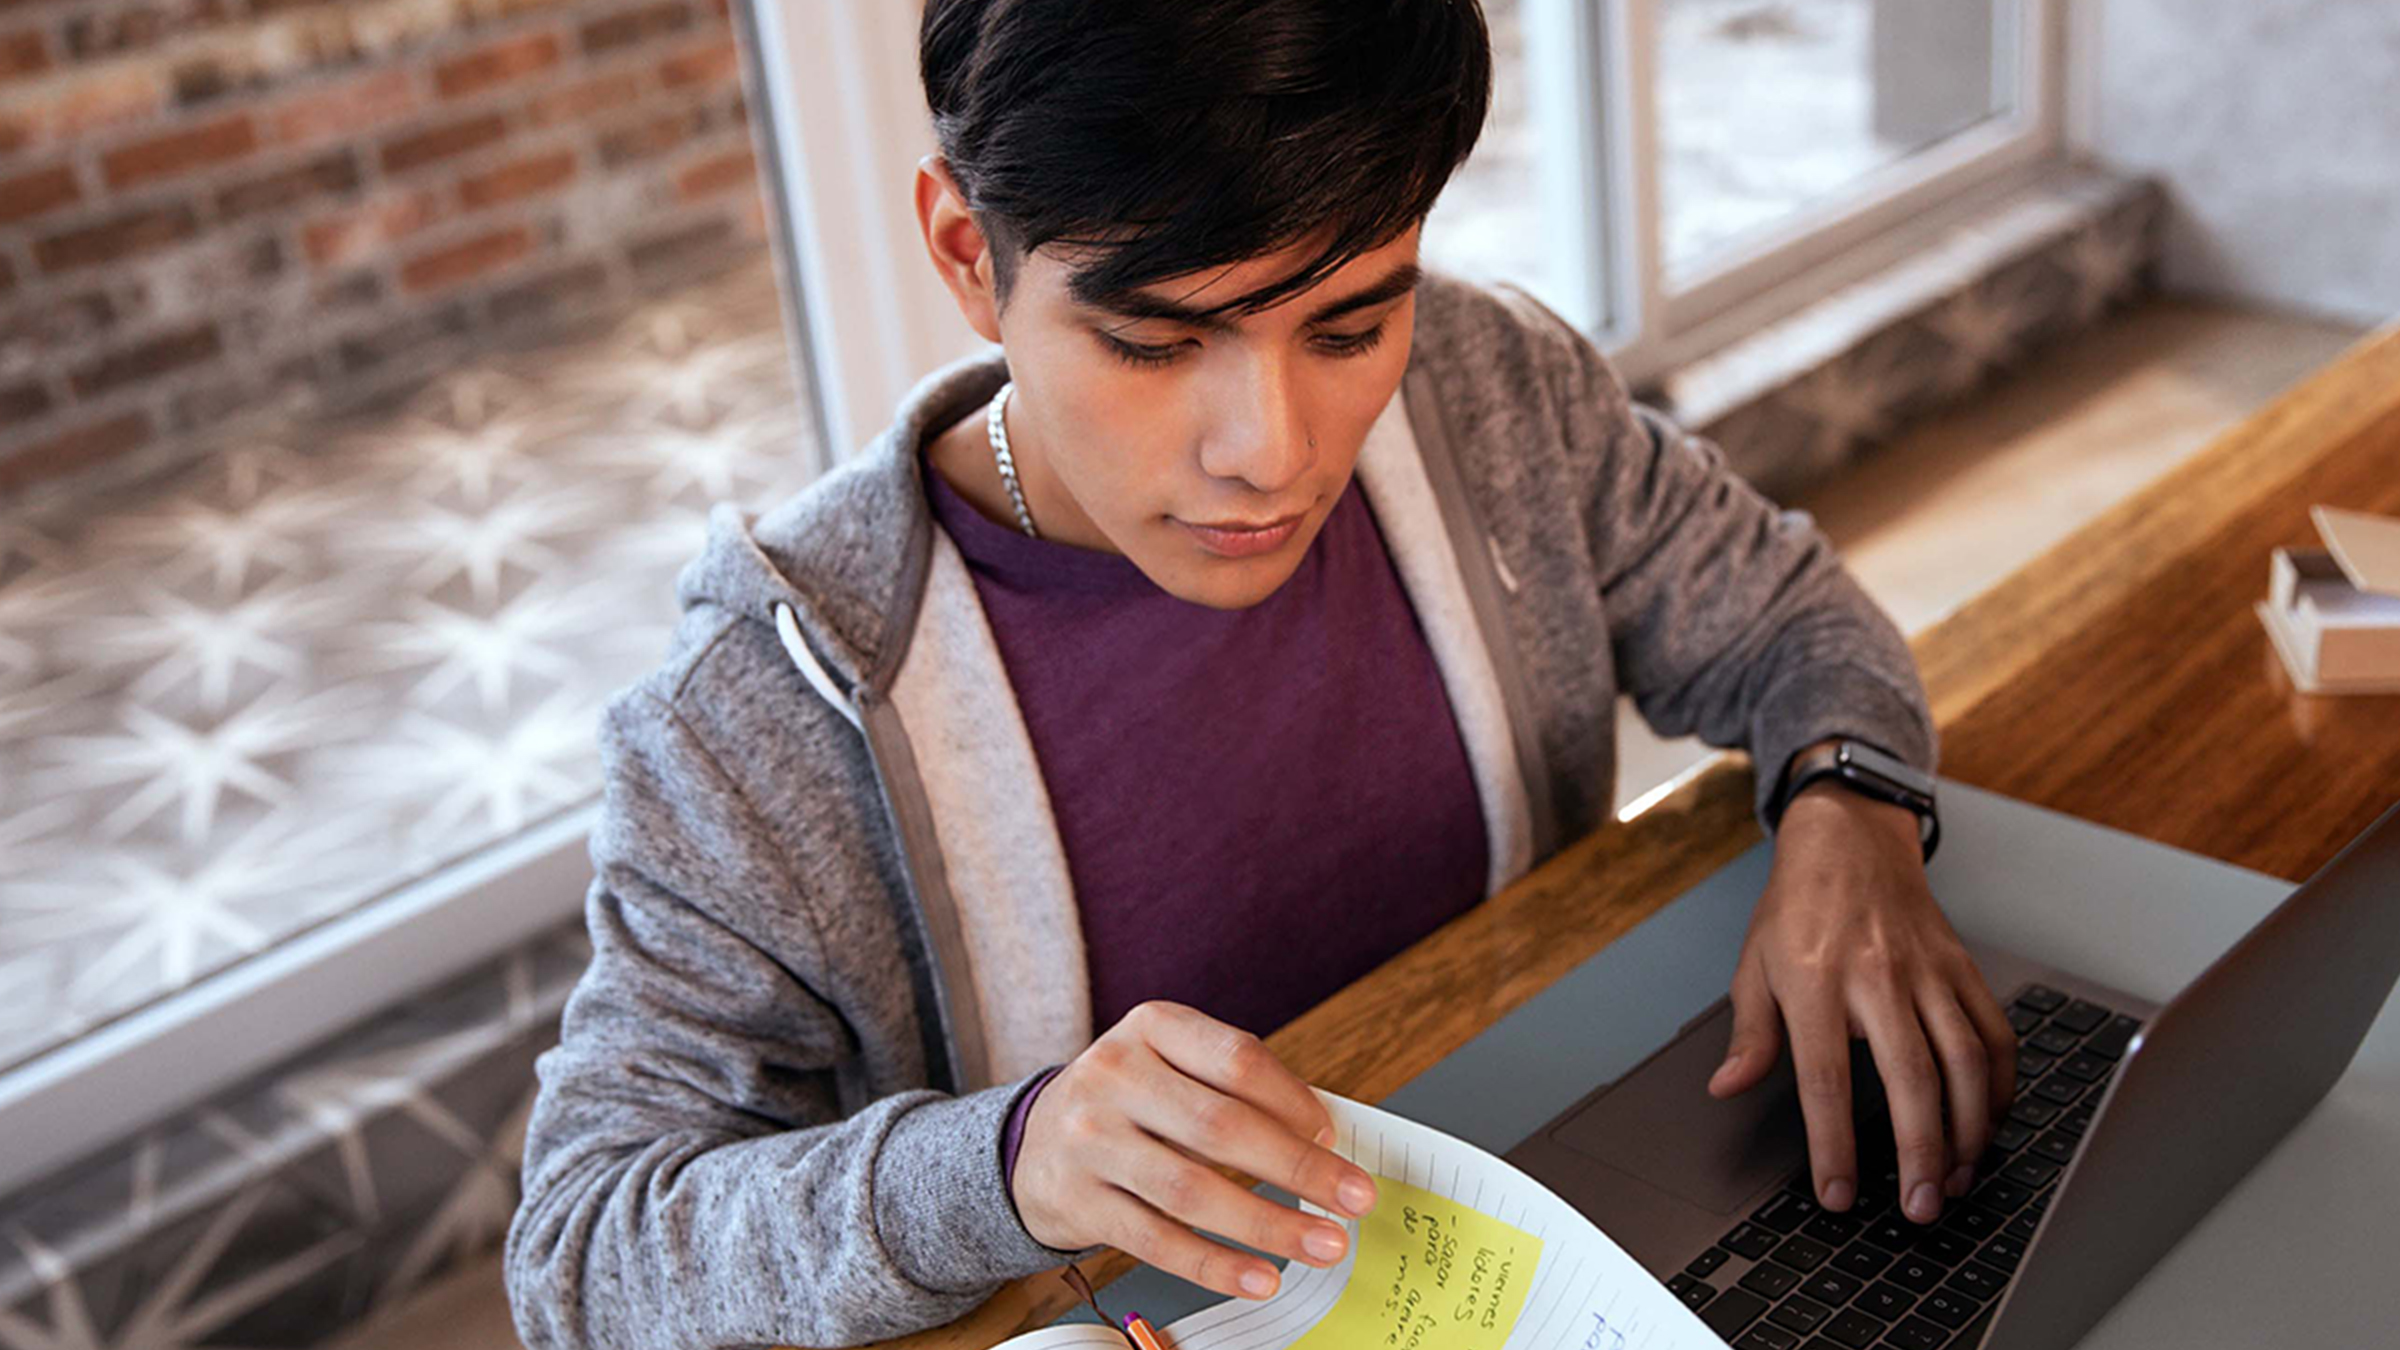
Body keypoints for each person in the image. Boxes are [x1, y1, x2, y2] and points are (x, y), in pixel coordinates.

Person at [502, 2, 2016, 1347]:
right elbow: (583, 1252)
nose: (1273, 453)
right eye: (1158, 345)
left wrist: (1852, 809)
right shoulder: (762, 715)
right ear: (972, 254)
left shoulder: (1489, 389)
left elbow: (1786, 619)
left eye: (1351, 322)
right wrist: (1008, 1162)